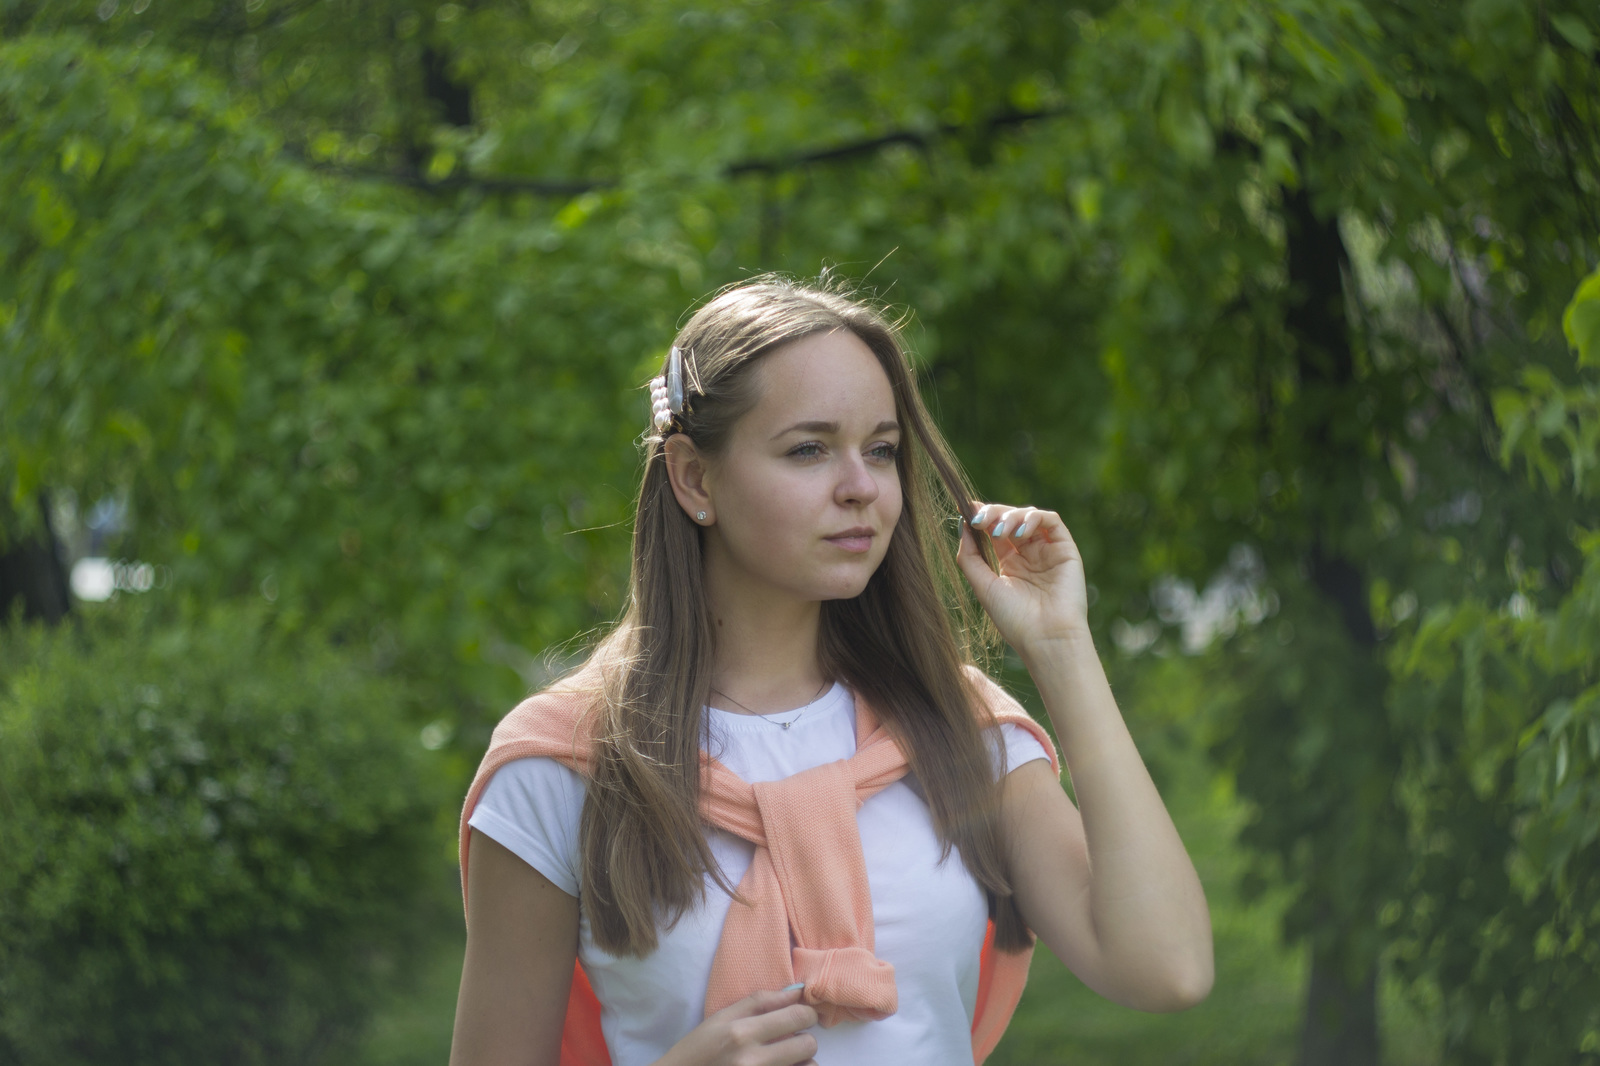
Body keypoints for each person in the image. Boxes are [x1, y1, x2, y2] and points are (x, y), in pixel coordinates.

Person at [449, 279, 1213, 1066]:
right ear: (694, 479)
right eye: (809, 449)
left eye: (880, 449)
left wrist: (1059, 648)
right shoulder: (563, 766)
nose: (861, 488)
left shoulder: (957, 730)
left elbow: (1167, 968)